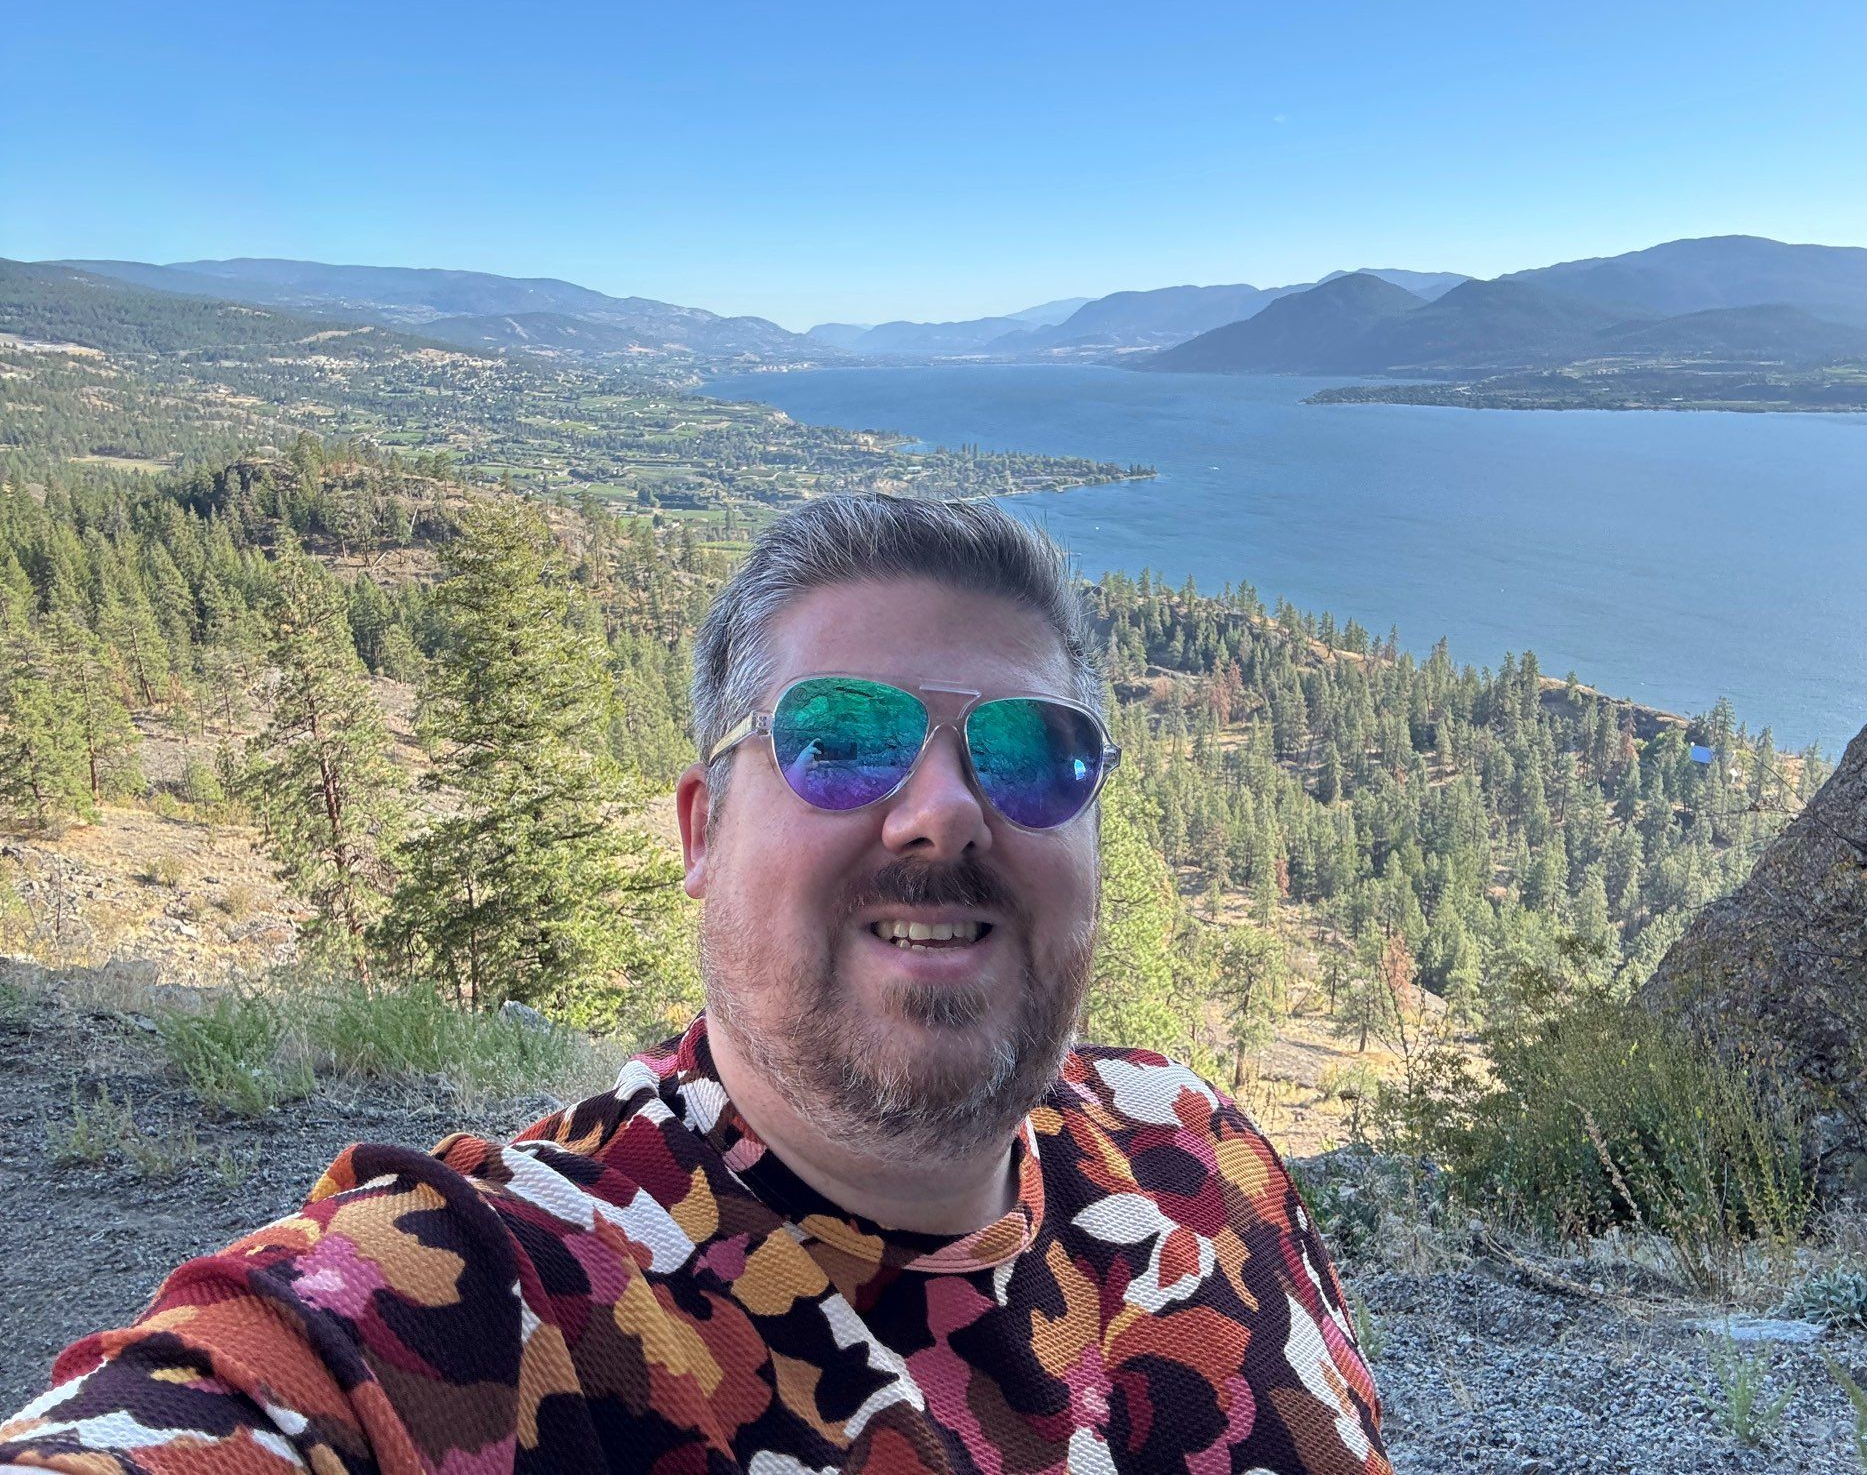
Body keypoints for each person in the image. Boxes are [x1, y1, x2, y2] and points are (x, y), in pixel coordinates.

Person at [1, 496, 1392, 1473]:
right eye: (842, 740)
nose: (944, 814)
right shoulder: (497, 1296)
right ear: (701, 834)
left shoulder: (1204, 1146)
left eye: (1030, 754)